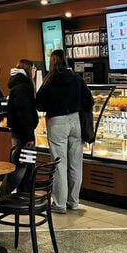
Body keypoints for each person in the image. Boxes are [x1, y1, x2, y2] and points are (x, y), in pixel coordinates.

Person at [36, 50, 93, 214]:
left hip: (57, 122)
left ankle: (60, 203)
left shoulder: (50, 80)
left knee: (59, 164)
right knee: (76, 164)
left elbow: (39, 103)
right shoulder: (76, 78)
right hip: (75, 121)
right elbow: (89, 100)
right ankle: (73, 202)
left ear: (52, 62)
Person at [0, 59, 39, 198]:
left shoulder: (18, 85)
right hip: (24, 135)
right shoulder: (23, 87)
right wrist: (29, 137)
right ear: (29, 69)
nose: (34, 71)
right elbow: (24, 113)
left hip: (21, 133)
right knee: (20, 167)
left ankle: (24, 197)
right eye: (33, 68)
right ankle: (1, 198)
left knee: (26, 165)